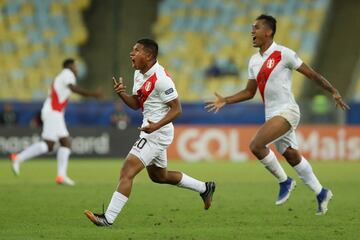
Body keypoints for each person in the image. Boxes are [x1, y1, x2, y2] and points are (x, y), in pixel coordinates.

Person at [205, 14, 349, 215]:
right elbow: (249, 92)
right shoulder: (254, 61)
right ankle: (321, 192)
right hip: (271, 114)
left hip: (287, 110)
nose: (252, 32)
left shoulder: (284, 54)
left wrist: (333, 90)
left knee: (256, 145)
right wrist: (226, 100)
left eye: (256, 28)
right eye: (251, 28)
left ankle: (285, 181)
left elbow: (312, 74)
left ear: (268, 31)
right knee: (292, 156)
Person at [84, 38, 215, 227]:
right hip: (151, 129)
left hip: (156, 132)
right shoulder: (139, 74)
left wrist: (156, 126)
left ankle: (108, 218)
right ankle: (204, 188)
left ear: (149, 56)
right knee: (159, 176)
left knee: (127, 171)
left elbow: (177, 109)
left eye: (136, 50)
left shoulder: (161, 79)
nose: (131, 53)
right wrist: (122, 94)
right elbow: (137, 104)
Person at [10, 58, 103, 186]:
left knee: (65, 142)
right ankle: (18, 158)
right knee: (48, 145)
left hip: (55, 113)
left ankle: (61, 176)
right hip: (53, 113)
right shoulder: (67, 74)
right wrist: (93, 94)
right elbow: (73, 88)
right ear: (70, 66)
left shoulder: (61, 76)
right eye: (75, 66)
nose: (76, 69)